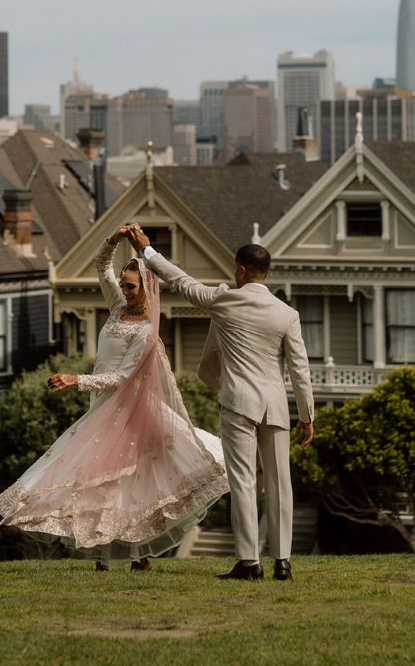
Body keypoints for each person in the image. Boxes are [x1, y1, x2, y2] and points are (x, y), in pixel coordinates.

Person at [0, 225, 228, 568]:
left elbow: (122, 377)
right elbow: (100, 268)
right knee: (106, 481)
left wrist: (77, 379)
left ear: (148, 286)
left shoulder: (147, 327)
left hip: (132, 409)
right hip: (104, 407)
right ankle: (121, 555)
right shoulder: (118, 306)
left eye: (131, 286)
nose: (124, 289)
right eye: (123, 284)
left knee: (126, 480)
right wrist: (114, 239)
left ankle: (130, 554)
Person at [127, 222, 314, 582]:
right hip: (275, 406)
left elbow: (182, 282)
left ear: (241, 271)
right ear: (267, 273)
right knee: (280, 483)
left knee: (243, 481)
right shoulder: (287, 314)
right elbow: (300, 370)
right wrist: (307, 416)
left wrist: (146, 250)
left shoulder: (226, 299)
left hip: (238, 403)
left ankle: (249, 562)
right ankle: (283, 562)